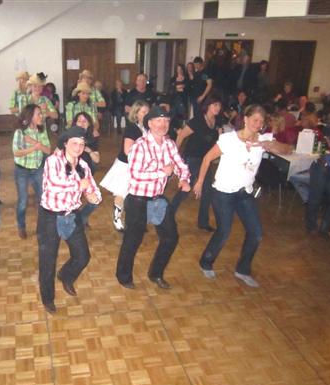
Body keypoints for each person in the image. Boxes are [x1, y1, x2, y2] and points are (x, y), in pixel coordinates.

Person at [194, 105, 292, 287]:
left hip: (245, 193)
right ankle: (206, 262)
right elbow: (207, 158)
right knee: (224, 231)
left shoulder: (263, 140)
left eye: (261, 121)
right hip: (223, 192)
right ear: (245, 119)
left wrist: (269, 145)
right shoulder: (229, 139)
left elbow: (288, 150)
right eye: (255, 119)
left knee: (256, 233)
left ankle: (243, 270)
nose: (258, 124)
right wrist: (199, 182)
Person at [115, 106, 191, 290]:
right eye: (158, 120)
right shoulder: (139, 145)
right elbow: (135, 174)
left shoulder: (169, 144)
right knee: (133, 240)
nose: (163, 124)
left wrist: (184, 179)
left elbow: (180, 165)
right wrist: (161, 172)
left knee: (171, 237)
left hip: (157, 199)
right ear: (149, 123)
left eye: (166, 121)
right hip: (138, 199)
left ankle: (156, 273)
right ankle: (123, 276)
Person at [37, 126, 101, 313]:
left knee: (82, 256)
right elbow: (55, 185)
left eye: (81, 144)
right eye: (74, 143)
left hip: (71, 215)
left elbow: (92, 187)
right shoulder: (53, 161)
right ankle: (48, 298)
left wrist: (94, 197)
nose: (78, 147)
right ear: (65, 143)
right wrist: (79, 185)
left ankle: (66, 275)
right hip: (50, 216)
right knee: (48, 261)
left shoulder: (84, 165)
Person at [170, 95, 224, 230]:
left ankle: (203, 222)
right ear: (208, 106)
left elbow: (217, 141)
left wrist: (220, 134)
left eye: (219, 105)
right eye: (215, 105)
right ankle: (168, 215)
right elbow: (181, 135)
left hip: (206, 159)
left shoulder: (217, 122)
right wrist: (174, 156)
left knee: (207, 190)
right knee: (185, 189)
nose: (217, 108)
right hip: (192, 158)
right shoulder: (198, 120)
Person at [100, 101, 150, 231]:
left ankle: (135, 221)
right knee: (122, 193)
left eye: (147, 111)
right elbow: (127, 150)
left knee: (136, 195)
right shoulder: (132, 128)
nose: (147, 114)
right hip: (126, 166)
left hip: (139, 166)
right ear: (136, 113)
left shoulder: (146, 128)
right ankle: (117, 219)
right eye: (143, 112)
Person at [12, 104, 51, 239]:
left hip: (38, 169)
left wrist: (35, 144)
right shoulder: (20, 132)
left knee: (42, 200)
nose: (41, 116)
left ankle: (41, 228)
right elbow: (16, 153)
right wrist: (35, 147)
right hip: (22, 170)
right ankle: (21, 226)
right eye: (38, 114)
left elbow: (48, 150)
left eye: (41, 113)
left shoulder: (42, 130)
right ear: (30, 116)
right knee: (23, 201)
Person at [72, 112, 100, 226]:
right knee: (73, 199)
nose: (82, 123)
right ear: (75, 123)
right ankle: (76, 222)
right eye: (79, 121)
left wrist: (89, 150)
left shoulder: (92, 138)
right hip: (72, 173)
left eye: (85, 121)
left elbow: (97, 160)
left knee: (95, 201)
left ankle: (81, 217)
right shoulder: (69, 137)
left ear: (89, 124)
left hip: (86, 173)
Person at [168, 63, 190, 129]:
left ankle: (180, 130)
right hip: (174, 100)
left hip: (182, 100)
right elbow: (169, 89)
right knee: (172, 116)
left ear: (183, 70)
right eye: (178, 69)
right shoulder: (173, 79)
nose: (179, 71)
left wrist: (182, 87)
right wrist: (176, 88)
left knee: (181, 117)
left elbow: (188, 89)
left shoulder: (186, 79)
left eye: (181, 69)